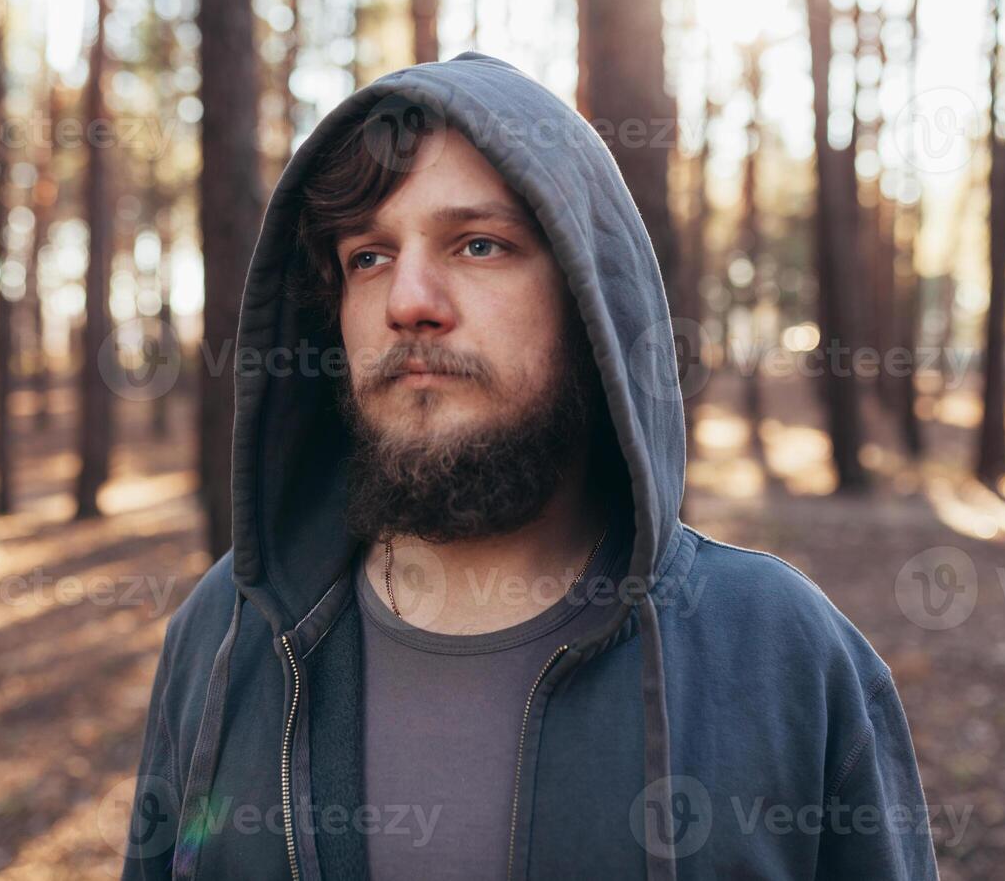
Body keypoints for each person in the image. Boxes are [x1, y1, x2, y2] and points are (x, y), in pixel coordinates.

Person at [121, 52, 939, 880]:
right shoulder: (225, 634)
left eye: (478, 244)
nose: (407, 300)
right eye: (368, 256)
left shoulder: (777, 654)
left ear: (588, 303)